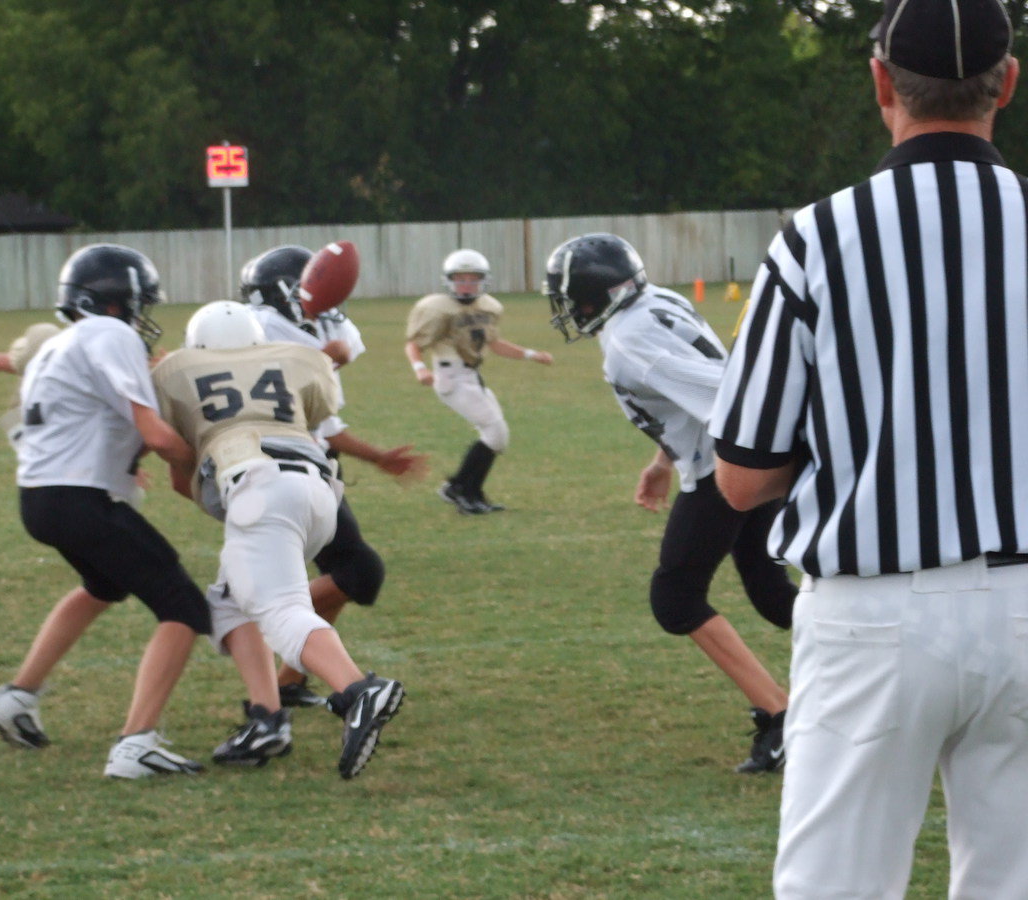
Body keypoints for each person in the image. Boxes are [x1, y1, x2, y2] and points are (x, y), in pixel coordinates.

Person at [710, 1, 1028, 894]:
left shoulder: (817, 238)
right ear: (1006, 82)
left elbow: (741, 476)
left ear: (881, 81)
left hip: (874, 614)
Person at [544, 232, 797, 773]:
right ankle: (884, 657)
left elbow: (731, 397)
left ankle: (781, 717)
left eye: (575, 300)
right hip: (732, 462)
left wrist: (748, 470)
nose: (570, 311)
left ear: (598, 296)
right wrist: (663, 461)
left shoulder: (628, 340)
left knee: (675, 597)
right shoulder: (658, 299)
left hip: (724, 469)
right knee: (773, 595)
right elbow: (694, 394)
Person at [0, 242, 211, 780]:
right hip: (79, 500)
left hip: (41, 498)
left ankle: (16, 696)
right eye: (139, 303)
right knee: (184, 609)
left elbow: (98, 424)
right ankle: (136, 743)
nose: (142, 316)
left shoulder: (63, 343)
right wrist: (210, 463)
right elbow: (154, 431)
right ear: (115, 300)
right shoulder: (111, 334)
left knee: (104, 586)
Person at [151, 299, 405, 779]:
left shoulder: (176, 372)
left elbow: (177, 474)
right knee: (228, 603)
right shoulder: (290, 360)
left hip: (259, 486)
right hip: (320, 492)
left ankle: (356, 690)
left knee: (280, 609)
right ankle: (267, 719)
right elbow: (319, 409)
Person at [240, 244, 427, 706]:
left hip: (310, 463)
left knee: (341, 575)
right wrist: (320, 357)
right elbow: (288, 389)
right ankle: (258, 623)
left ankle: (288, 682)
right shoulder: (264, 333)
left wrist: (379, 457)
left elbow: (326, 427)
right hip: (280, 468)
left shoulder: (303, 327)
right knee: (360, 572)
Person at [405, 249, 553, 514]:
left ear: (484, 281)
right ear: (448, 280)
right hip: (450, 376)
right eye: (460, 279)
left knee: (498, 436)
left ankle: (471, 491)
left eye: (473, 279)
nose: (466, 285)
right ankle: (457, 488)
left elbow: (495, 344)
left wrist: (532, 355)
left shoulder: (489, 307)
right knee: (495, 433)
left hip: (472, 375)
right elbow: (413, 344)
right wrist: (419, 369)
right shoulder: (436, 308)